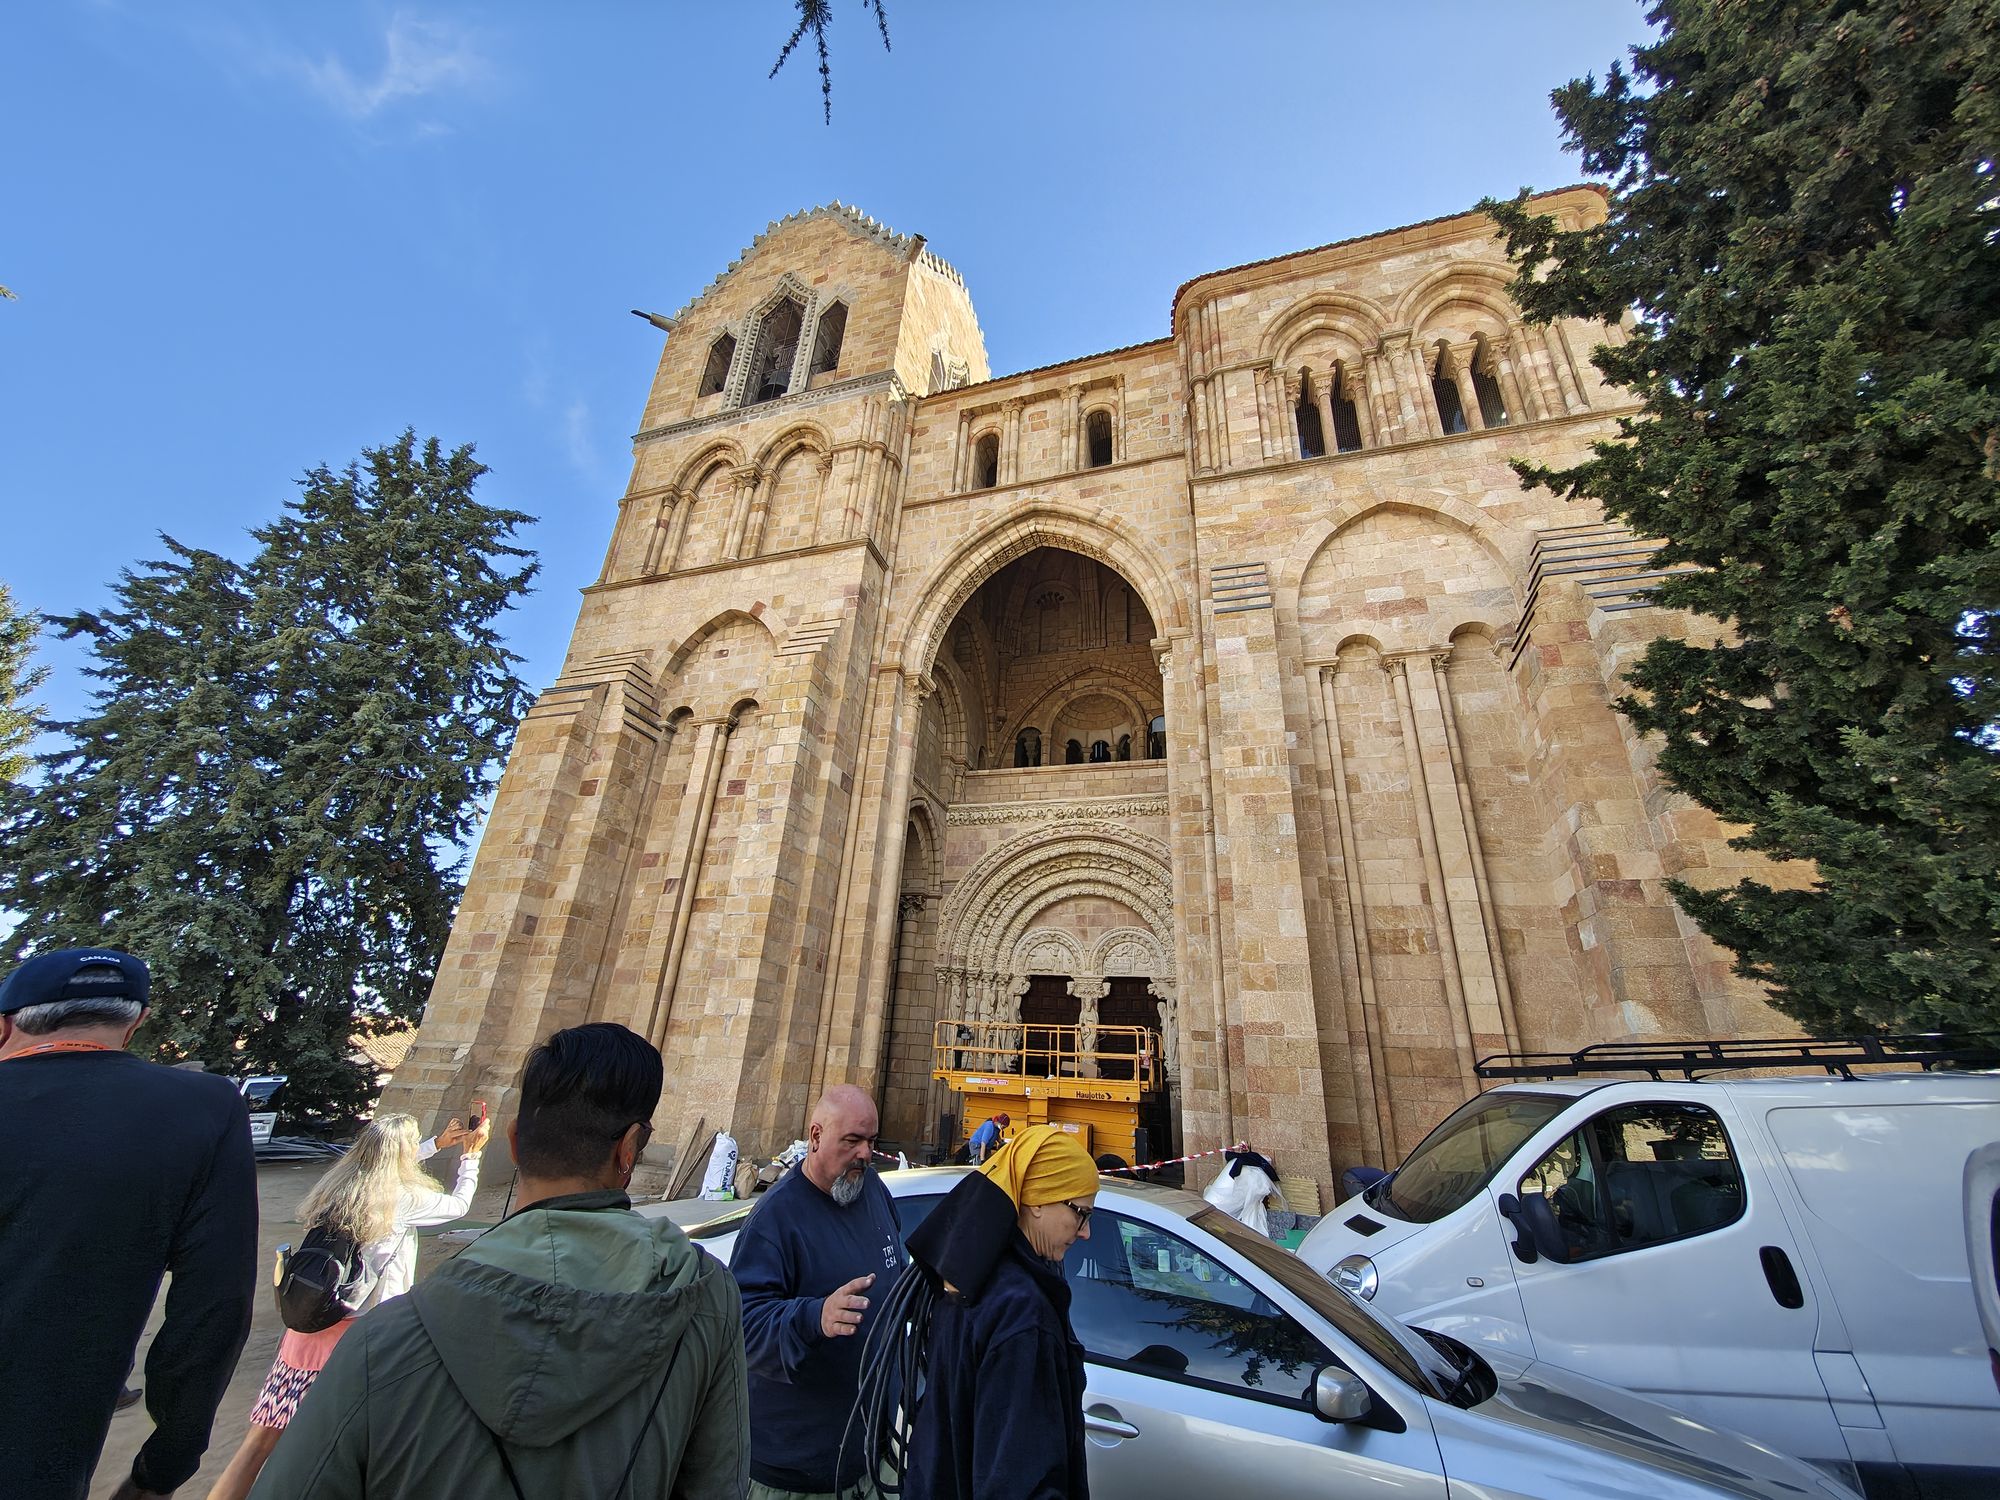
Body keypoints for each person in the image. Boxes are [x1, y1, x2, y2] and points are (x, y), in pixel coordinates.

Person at [248, 1023, 748, 1498]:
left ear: (512, 1141)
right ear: (629, 1149)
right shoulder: (705, 1298)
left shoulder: (381, 1340)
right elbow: (717, 1482)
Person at [0, 947, 258, 1500]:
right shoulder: (202, 1109)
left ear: (6, 1023)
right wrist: (164, 1463)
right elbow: (214, 1302)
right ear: (136, 1022)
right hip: (37, 1445)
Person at [204, 1112, 488, 1500]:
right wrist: (471, 1155)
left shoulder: (337, 1186)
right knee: (340, 1455)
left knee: (256, 1446)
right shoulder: (402, 1200)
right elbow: (458, 1206)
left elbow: (381, 1168)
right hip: (362, 1336)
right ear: (403, 1156)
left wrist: (436, 1145)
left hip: (308, 1327)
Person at [858, 1123, 1097, 1500]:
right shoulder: (1022, 1316)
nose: (1085, 1232)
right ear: (1037, 1200)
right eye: (1080, 1213)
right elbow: (1019, 1478)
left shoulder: (966, 1279)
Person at [732, 1084, 906, 1500]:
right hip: (797, 1474)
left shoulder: (872, 1190)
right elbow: (742, 1326)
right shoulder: (776, 1219)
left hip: (867, 1456)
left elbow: (894, 1264)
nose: (865, 1153)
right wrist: (816, 1316)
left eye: (871, 1141)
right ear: (814, 1137)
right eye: (852, 1141)